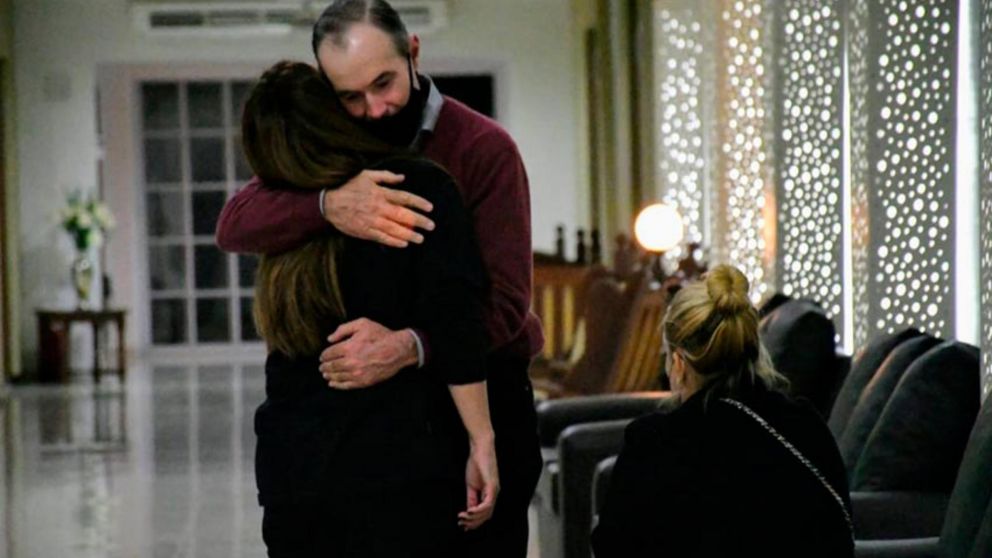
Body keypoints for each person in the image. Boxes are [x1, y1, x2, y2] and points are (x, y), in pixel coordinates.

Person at [215, 1, 543, 555]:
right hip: (360, 439)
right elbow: (235, 223)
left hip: (481, 391)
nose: (371, 109)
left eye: (384, 83)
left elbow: (505, 307)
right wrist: (327, 205)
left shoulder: (482, 150)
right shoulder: (325, 150)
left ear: (413, 52)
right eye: (349, 96)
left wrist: (410, 346)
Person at [242, 60, 498, 557]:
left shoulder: (279, 212)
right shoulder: (417, 188)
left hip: (294, 468)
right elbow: (458, 321)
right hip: (399, 468)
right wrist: (482, 441)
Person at [591, 265, 854, 558]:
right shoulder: (804, 426)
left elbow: (611, 547)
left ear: (678, 363)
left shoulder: (653, 443)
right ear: (752, 350)